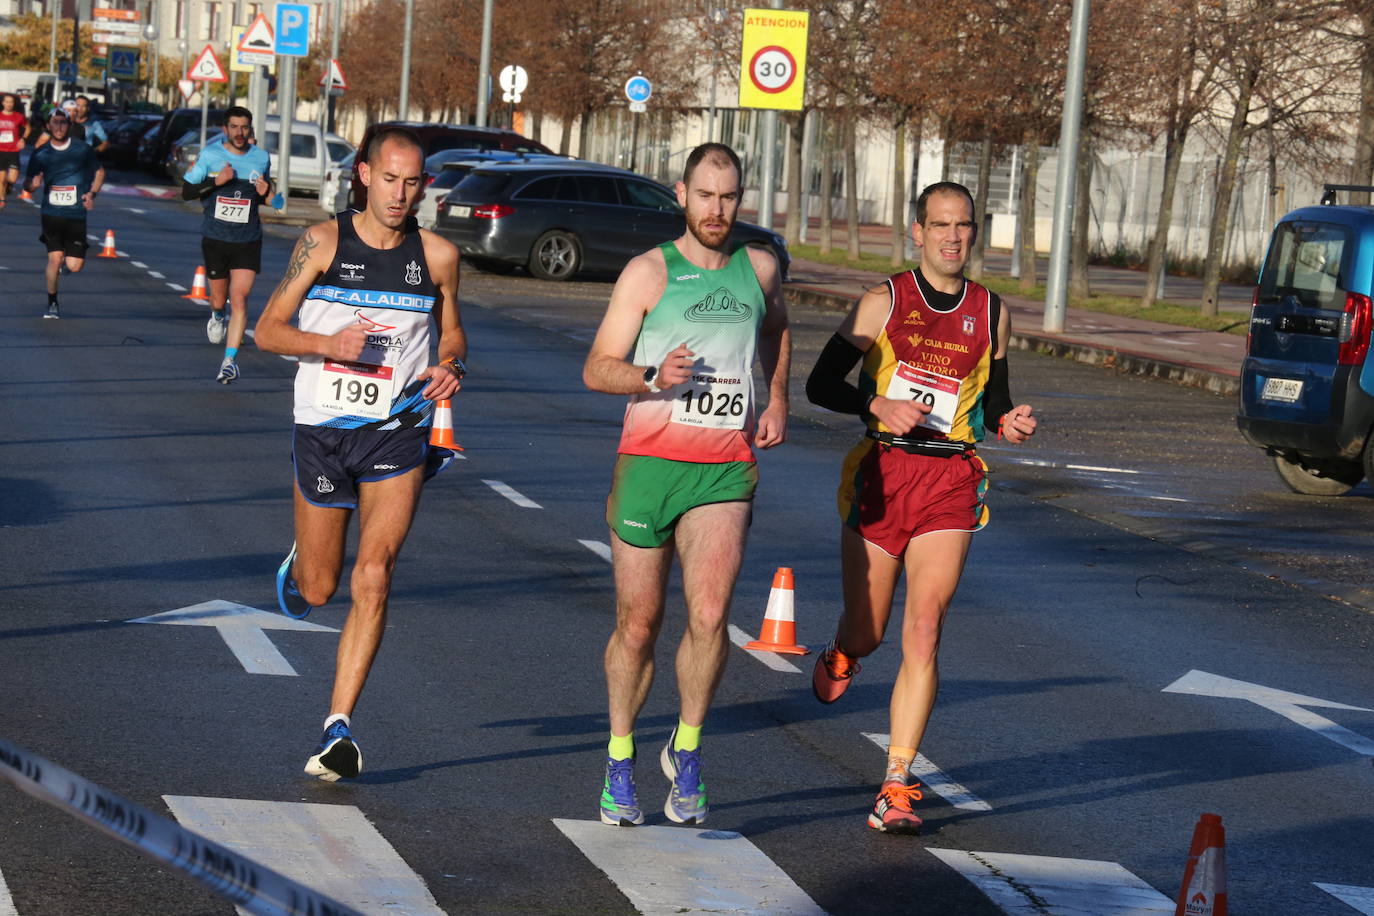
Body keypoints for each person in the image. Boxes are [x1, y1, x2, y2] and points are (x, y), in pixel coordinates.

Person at [805, 181, 1037, 834]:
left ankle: (897, 783)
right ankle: (844, 648)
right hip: (882, 476)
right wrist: (875, 404)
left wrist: (1009, 421)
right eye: (941, 225)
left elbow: (993, 401)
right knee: (871, 630)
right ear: (917, 231)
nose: (954, 236)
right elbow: (820, 384)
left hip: (949, 483)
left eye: (964, 225)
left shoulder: (992, 312)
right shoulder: (883, 301)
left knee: (926, 628)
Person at [582, 142, 790, 827]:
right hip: (648, 465)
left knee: (709, 615)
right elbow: (596, 368)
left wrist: (778, 393)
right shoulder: (648, 274)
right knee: (638, 625)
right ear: (682, 193)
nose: (717, 209)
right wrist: (650, 377)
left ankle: (691, 751)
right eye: (705, 195)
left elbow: (778, 328)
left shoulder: (758, 268)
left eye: (729, 197)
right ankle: (619, 759)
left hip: (724, 470)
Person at [254, 126, 465, 782]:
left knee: (373, 575)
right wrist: (326, 346)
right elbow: (266, 332)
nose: (402, 194)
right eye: (391, 179)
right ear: (365, 176)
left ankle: (337, 726)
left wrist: (451, 363)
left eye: (414, 182)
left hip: (397, 429)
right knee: (322, 586)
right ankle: (301, 566)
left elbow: (452, 329)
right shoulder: (320, 242)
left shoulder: (437, 256)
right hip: (322, 428)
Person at [182, 105, 273, 383]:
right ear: (225, 130)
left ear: (250, 130)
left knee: (241, 298)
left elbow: (275, 202)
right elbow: (186, 192)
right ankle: (217, 313)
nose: (239, 132)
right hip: (216, 238)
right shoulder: (210, 156)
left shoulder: (261, 158)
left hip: (248, 240)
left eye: (244, 127)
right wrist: (216, 182)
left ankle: (229, 360)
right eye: (234, 127)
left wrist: (268, 193)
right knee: (219, 298)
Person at [25, 109, 104, 319]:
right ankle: (52, 303)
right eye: (55, 122)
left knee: (74, 266)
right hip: (51, 214)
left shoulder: (82, 149)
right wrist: (32, 185)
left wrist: (91, 194)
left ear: (69, 125)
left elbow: (99, 172)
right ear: (48, 126)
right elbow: (28, 182)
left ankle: (64, 268)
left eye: (63, 122)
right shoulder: (41, 153)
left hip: (76, 214)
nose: (59, 126)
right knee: (54, 258)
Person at [36, 95, 108, 152]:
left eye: (83, 106)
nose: (79, 109)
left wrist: (92, 153)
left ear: (88, 108)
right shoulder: (56, 126)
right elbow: (39, 144)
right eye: (78, 105)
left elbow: (104, 143)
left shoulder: (92, 125)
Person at [0, 93, 30, 207]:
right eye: (6, 102)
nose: (8, 104)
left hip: (13, 151)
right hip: (1, 151)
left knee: (12, 178)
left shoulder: (19, 117)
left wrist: (23, 139)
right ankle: (2, 200)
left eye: (11, 102)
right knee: (1, 179)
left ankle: (8, 186)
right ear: (3, 103)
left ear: (14, 104)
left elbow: (27, 128)